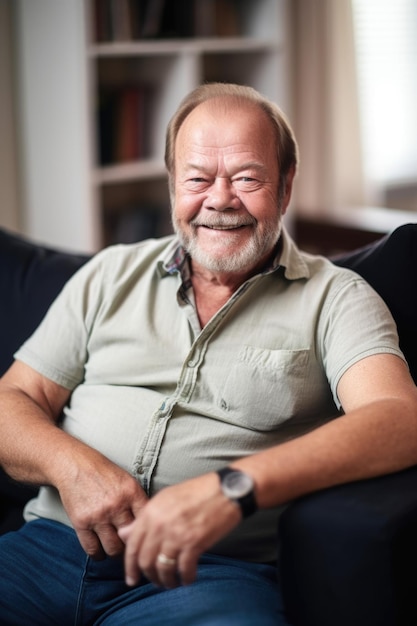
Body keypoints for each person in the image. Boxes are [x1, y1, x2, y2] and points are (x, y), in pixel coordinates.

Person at [0, 82, 417, 626]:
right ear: (174, 185)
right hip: (43, 555)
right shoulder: (107, 275)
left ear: (285, 186)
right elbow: (15, 397)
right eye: (197, 179)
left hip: (206, 576)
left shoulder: (336, 298)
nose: (220, 200)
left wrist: (233, 488)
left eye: (247, 178)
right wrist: (71, 466)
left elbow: (400, 418)